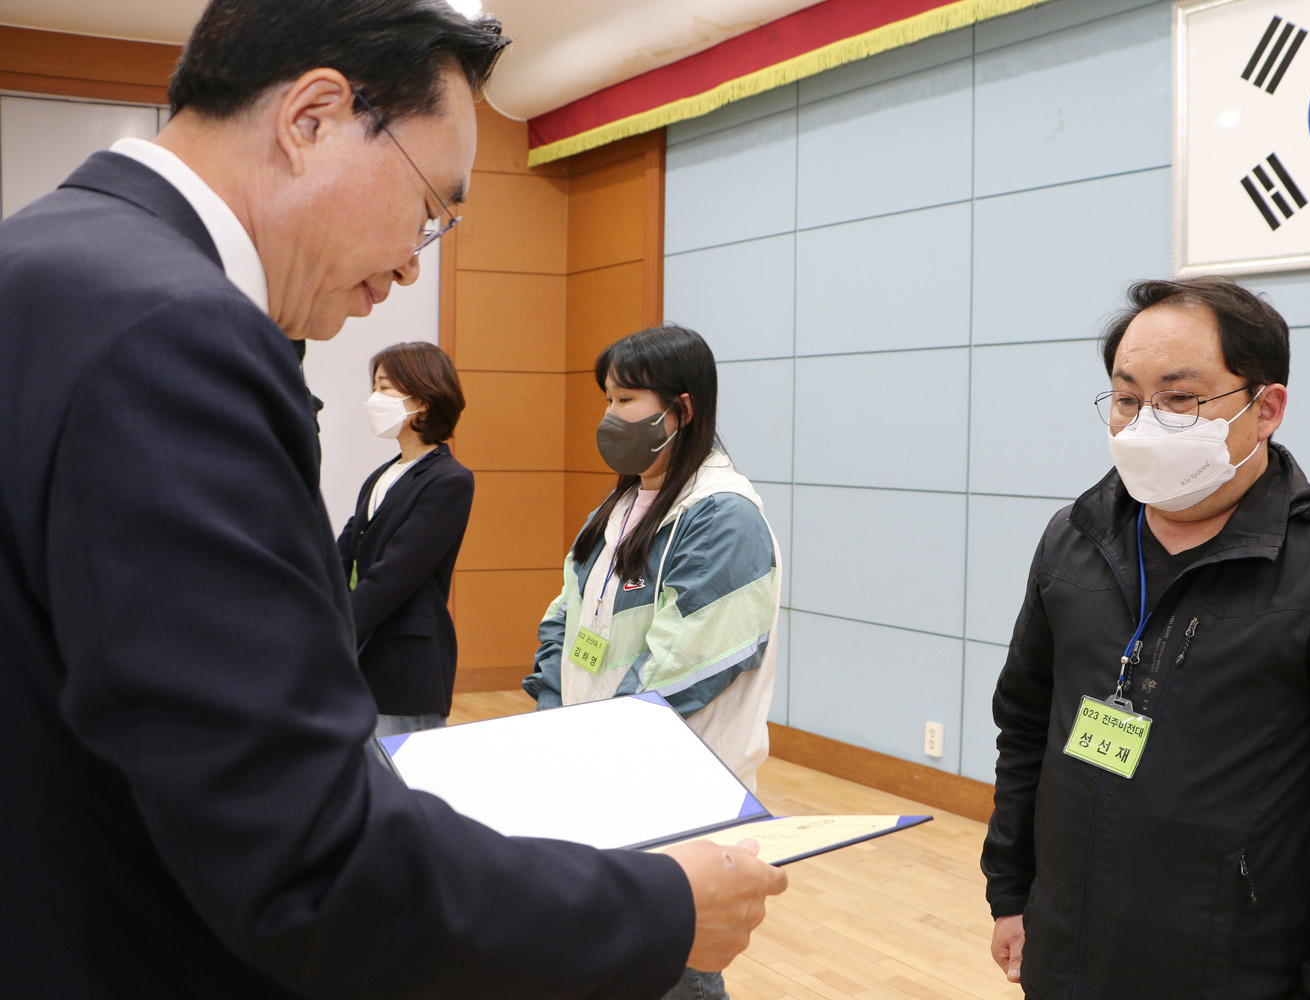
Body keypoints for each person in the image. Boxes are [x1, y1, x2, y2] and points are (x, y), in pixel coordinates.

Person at [0, 2, 785, 996]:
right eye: (429, 207)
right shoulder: (177, 333)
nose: (416, 261)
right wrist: (657, 906)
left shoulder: (45, 264)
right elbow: (307, 857)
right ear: (313, 117)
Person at [981, 276, 1310, 999]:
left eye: (1181, 400)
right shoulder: (1074, 541)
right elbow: (1024, 728)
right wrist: (1012, 890)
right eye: (1126, 398)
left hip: (1237, 970)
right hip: (1070, 951)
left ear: (1265, 408)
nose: (1145, 423)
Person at [525, 325, 782, 1000]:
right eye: (607, 398)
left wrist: (581, 752)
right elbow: (563, 620)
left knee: (674, 975)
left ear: (683, 410)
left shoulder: (723, 516)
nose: (611, 417)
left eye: (628, 399)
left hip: (673, 801)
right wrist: (555, 732)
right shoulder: (618, 505)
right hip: (597, 783)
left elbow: (681, 676)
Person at [338, 341, 473, 736]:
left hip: (405, 664)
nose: (373, 400)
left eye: (384, 388)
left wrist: (333, 632)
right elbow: (343, 554)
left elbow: (395, 574)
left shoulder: (449, 480)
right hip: (363, 652)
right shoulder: (381, 475)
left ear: (423, 400)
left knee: (402, 783)